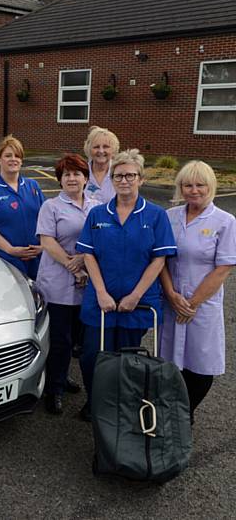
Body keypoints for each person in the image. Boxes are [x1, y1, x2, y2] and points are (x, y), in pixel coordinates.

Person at [75, 149, 177, 421]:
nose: (124, 180)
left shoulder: (155, 215)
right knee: (92, 357)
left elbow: (159, 259)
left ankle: (126, 406)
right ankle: (96, 401)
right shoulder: (98, 214)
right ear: (112, 180)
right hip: (101, 301)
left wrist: (135, 295)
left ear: (140, 179)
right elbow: (89, 255)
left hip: (138, 302)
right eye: (118, 176)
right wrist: (100, 292)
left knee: (129, 357)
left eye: (130, 175)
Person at [159, 161, 236, 424]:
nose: (194, 190)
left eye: (200, 184)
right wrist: (171, 294)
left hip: (200, 305)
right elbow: (161, 260)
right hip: (172, 300)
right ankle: (170, 411)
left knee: (200, 363)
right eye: (187, 185)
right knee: (170, 361)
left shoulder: (224, 222)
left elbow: (223, 268)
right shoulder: (169, 217)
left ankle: (186, 412)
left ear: (210, 186)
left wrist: (191, 303)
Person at [35, 155, 100, 414]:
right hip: (58, 283)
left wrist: (82, 260)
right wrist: (72, 265)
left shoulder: (97, 206)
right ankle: (54, 389)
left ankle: (63, 376)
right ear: (59, 180)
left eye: (77, 174)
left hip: (87, 286)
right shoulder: (51, 207)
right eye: (66, 174)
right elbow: (47, 241)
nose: (72, 178)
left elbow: (99, 237)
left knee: (76, 340)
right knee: (60, 340)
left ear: (86, 178)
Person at [0, 134, 45, 279]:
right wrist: (10, 250)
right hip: (7, 260)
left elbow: (46, 219)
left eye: (17, 156)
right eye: (8, 155)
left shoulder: (33, 186)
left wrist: (43, 246)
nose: (13, 159)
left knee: (40, 298)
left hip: (37, 258)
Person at [83, 126, 119, 204]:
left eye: (106, 147)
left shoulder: (120, 173)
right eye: (96, 147)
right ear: (89, 149)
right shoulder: (81, 172)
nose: (101, 151)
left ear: (113, 149)